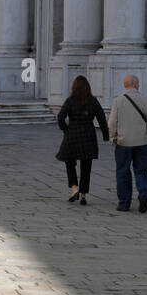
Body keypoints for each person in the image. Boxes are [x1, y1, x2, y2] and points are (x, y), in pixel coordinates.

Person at [56, 75, 109, 206]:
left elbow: (61, 117)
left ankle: (74, 189)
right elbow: (102, 118)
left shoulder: (70, 100)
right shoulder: (93, 101)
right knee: (86, 166)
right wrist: (105, 135)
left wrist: (65, 129)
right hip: (88, 134)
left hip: (72, 134)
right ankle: (84, 194)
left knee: (70, 162)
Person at [108, 74, 147, 213]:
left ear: (126, 85)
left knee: (123, 173)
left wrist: (113, 137)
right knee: (141, 171)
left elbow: (111, 123)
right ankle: (143, 193)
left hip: (123, 142)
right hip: (142, 142)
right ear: (136, 84)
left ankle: (124, 203)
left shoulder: (118, 101)